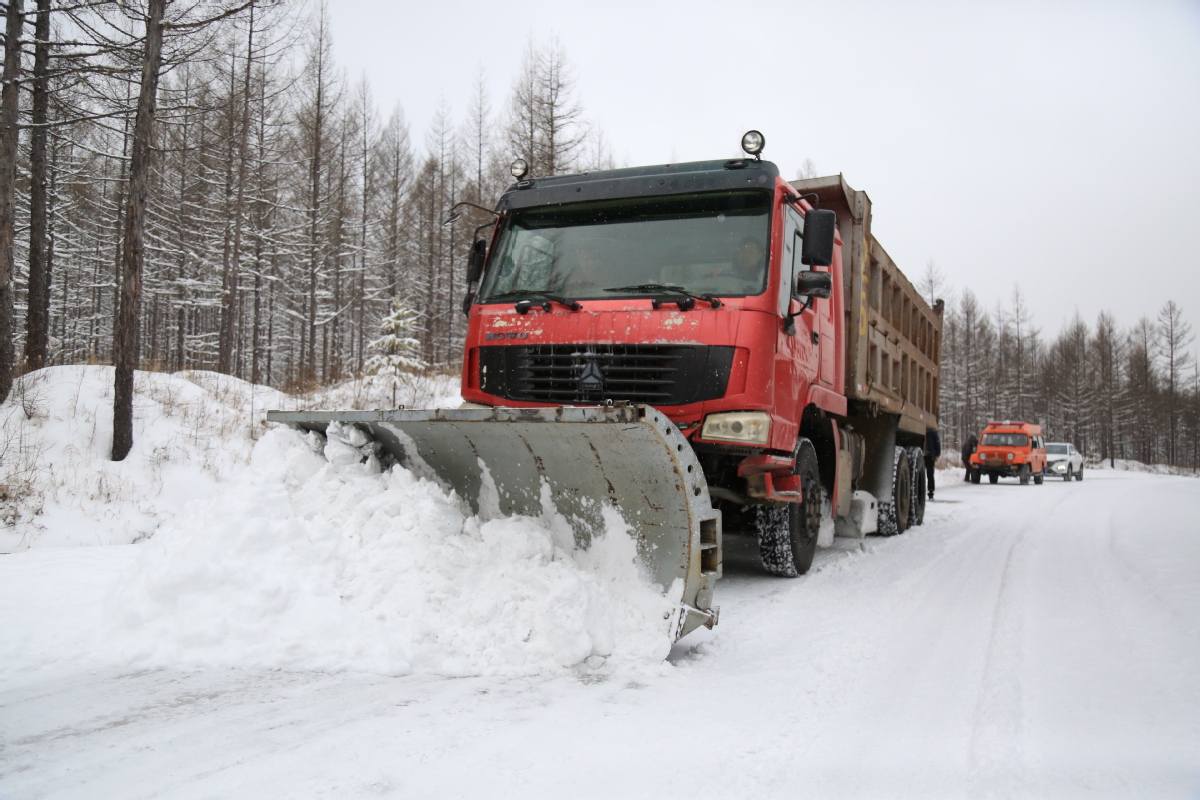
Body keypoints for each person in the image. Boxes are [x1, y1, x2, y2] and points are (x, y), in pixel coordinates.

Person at [925, 428, 940, 500]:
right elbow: (937, 443)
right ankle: (929, 492)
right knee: (929, 474)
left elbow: (937, 443)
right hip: (925, 455)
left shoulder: (932, 432)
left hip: (930, 456)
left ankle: (931, 492)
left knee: (930, 474)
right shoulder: (930, 432)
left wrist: (937, 454)